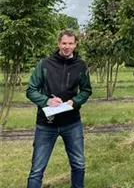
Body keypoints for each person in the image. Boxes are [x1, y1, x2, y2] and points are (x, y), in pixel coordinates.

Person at [26, 29, 92, 188]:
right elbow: (31, 90)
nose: (67, 47)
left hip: (72, 124)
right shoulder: (44, 64)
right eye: (64, 43)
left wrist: (74, 102)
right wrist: (47, 101)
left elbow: (86, 90)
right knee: (37, 170)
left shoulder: (80, 66)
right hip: (46, 124)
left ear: (75, 44)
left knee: (79, 165)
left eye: (70, 43)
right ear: (58, 43)